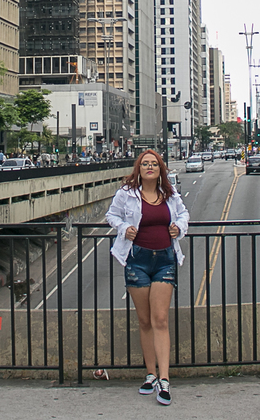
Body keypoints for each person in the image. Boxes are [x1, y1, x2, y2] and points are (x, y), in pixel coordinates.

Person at [104, 149, 189, 407]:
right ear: (138, 169)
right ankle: (150, 374)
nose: (149, 167)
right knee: (144, 320)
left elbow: (184, 215)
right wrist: (123, 228)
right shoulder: (126, 194)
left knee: (160, 318)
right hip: (136, 260)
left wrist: (179, 228)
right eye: (145, 164)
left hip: (165, 260)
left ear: (160, 169)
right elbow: (111, 215)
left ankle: (164, 379)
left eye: (154, 164)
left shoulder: (170, 194)